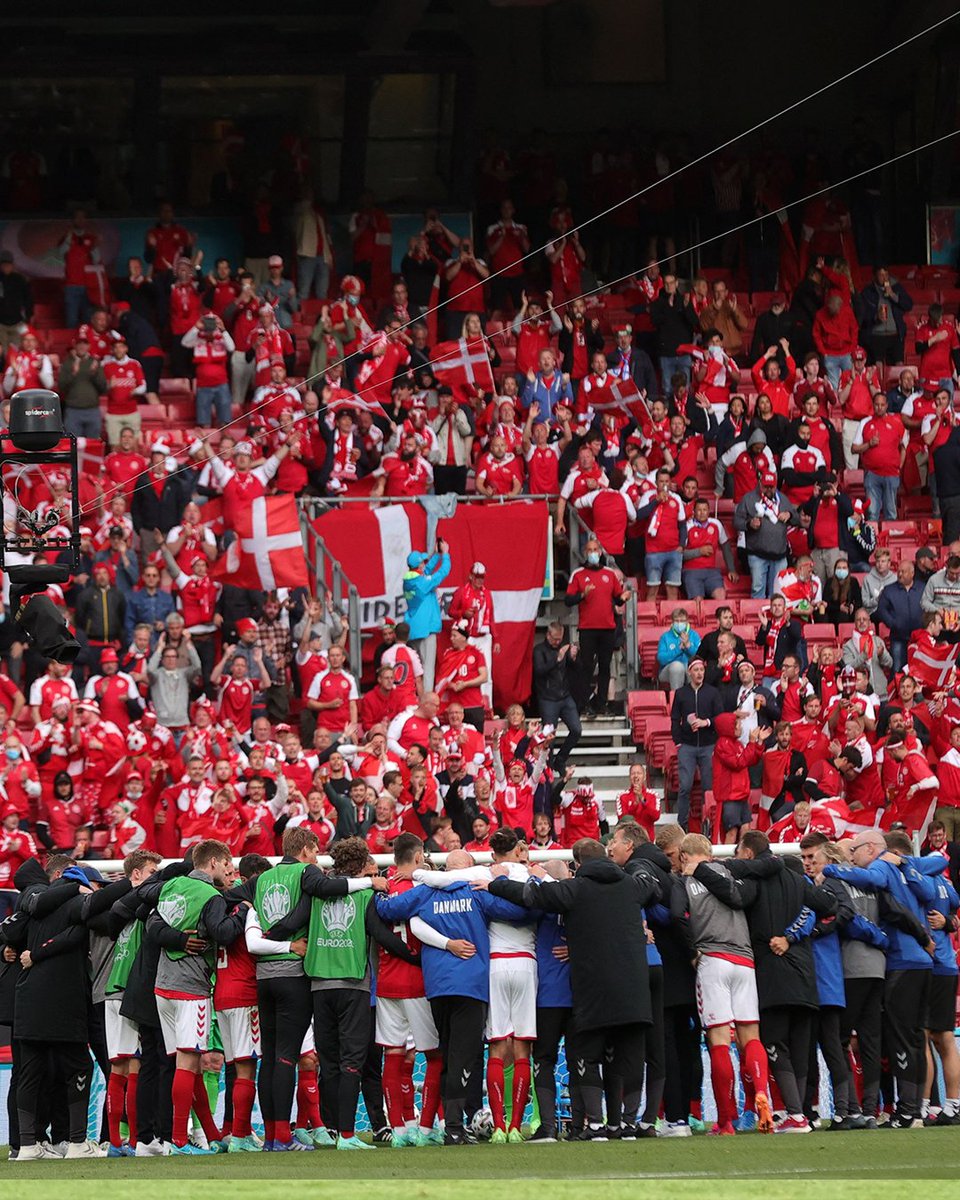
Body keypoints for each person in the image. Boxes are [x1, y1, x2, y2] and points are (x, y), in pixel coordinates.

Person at [487, 837, 660, 1140]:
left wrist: (496, 882)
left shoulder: (572, 891)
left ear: (578, 865)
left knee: (569, 1057)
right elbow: (654, 886)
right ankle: (622, 1124)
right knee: (625, 1056)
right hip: (630, 985)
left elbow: (529, 897)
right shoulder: (630, 886)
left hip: (576, 989)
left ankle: (576, 1125)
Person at [822, 829, 936, 1128]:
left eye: (854, 851)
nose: (852, 858)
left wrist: (832, 868)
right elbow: (935, 868)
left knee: (892, 1038)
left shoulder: (874, 871)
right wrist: (925, 935)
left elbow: (864, 908)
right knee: (906, 1038)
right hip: (909, 962)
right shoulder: (898, 871)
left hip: (894, 962)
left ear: (870, 849)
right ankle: (910, 1109)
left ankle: (893, 1110)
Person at [672, 834, 774, 1136]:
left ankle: (726, 1120)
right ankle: (762, 1095)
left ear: (682, 856)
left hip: (712, 960)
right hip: (744, 961)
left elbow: (677, 915)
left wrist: (691, 952)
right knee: (750, 1036)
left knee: (718, 1041)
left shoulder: (683, 882)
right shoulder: (732, 873)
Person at [564, 538, 629, 716]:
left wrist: (624, 597)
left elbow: (617, 598)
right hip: (587, 628)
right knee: (586, 668)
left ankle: (601, 704)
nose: (592, 553)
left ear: (600, 552)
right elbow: (568, 600)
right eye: (589, 550)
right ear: (586, 553)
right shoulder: (578, 574)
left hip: (607, 628)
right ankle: (584, 704)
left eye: (595, 550)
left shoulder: (609, 573)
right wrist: (582, 595)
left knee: (605, 668)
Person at [734, 471, 805, 599]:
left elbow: (797, 519)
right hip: (757, 553)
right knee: (757, 588)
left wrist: (789, 515)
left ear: (776, 485)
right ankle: (757, 617)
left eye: (771, 487)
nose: (768, 490)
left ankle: (775, 619)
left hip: (779, 555)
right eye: (765, 486)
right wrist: (749, 524)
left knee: (778, 591)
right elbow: (737, 522)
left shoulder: (782, 499)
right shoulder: (749, 498)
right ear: (760, 484)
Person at [670, 658, 721, 830]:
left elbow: (719, 719)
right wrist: (678, 743)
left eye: (702, 669)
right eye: (696, 670)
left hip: (708, 745)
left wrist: (706, 722)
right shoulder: (681, 693)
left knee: (708, 787)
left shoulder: (713, 693)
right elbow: (675, 719)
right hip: (687, 746)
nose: (699, 673)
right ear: (689, 672)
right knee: (685, 786)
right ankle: (682, 825)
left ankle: (708, 824)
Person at [531, 621, 581, 772]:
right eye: (555, 639)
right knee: (549, 736)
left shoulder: (563, 648)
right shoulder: (539, 650)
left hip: (564, 696)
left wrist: (573, 657)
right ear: (548, 635)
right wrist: (557, 659)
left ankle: (560, 759)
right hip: (547, 698)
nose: (557, 642)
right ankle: (548, 766)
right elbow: (539, 671)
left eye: (560, 639)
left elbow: (576, 669)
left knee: (576, 729)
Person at [402, 541, 451, 692]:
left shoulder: (410, 580)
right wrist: (446, 554)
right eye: (423, 561)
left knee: (417, 667)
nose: (425, 563)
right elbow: (443, 572)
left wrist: (437, 555)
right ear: (419, 566)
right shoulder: (422, 583)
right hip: (426, 629)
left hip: (413, 629)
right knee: (427, 667)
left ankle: (416, 696)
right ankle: (426, 699)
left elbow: (428, 571)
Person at [875, 561, 925, 673]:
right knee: (897, 669)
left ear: (912, 573)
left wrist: (925, 623)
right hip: (898, 636)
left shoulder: (923, 588)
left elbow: (929, 607)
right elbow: (882, 610)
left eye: (904, 572)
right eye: (899, 571)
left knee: (920, 670)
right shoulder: (889, 590)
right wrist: (893, 623)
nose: (900, 574)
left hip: (919, 637)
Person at [657, 608, 702, 691]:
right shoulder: (665, 637)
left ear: (687, 622)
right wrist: (678, 649)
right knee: (677, 667)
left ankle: (694, 698)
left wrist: (689, 647)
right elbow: (661, 659)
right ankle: (677, 697)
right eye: (676, 621)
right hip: (668, 671)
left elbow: (700, 657)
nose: (679, 623)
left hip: (688, 668)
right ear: (672, 622)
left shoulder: (694, 635)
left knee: (692, 667)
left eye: (682, 621)